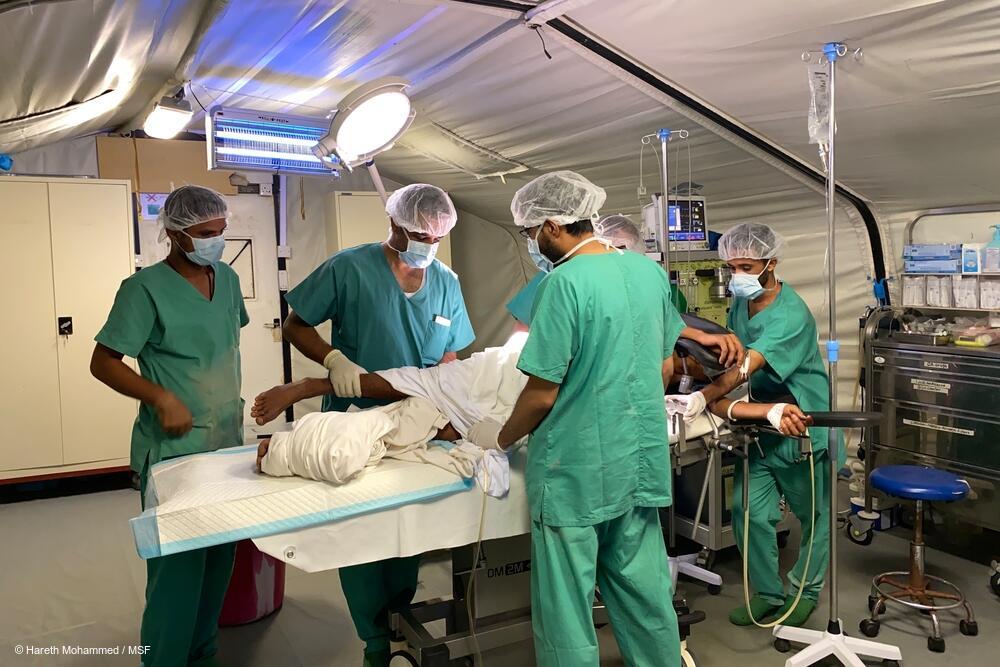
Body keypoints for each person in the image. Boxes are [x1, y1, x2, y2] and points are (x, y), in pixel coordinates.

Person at [463, 170, 682, 667]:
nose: (531, 243)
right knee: (644, 593)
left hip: (574, 475)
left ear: (552, 225)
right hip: (637, 462)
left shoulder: (562, 285)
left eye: (529, 232)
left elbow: (540, 395)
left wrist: (497, 437)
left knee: (567, 609)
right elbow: (665, 364)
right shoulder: (646, 272)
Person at [281, 182, 474, 667]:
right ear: (392, 223)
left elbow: (450, 355)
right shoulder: (349, 268)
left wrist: (450, 406)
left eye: (435, 238)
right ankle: (374, 642)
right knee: (363, 537)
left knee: (406, 531)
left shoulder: (446, 281)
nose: (427, 245)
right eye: (417, 235)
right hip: (356, 421)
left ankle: (401, 621)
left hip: (417, 426)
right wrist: (333, 359)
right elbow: (295, 324)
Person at [90, 185, 247, 667]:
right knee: (178, 574)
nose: (215, 242)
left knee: (219, 565)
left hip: (225, 444)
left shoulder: (227, 279)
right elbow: (104, 362)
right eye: (205, 233)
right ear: (177, 234)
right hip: (177, 449)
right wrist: (159, 396)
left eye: (221, 232)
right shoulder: (143, 289)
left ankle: (202, 655)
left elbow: (218, 349)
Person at [677, 222, 840, 628]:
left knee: (813, 515)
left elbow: (747, 366)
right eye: (732, 267)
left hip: (799, 421)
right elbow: (734, 349)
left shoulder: (791, 314)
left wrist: (705, 396)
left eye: (746, 266)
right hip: (761, 422)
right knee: (747, 511)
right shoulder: (740, 302)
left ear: (771, 262)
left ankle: (806, 589)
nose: (738, 276)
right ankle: (768, 594)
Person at [506, 213, 732, 361]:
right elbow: (523, 341)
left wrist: (701, 336)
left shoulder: (650, 278)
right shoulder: (559, 279)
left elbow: (664, 327)